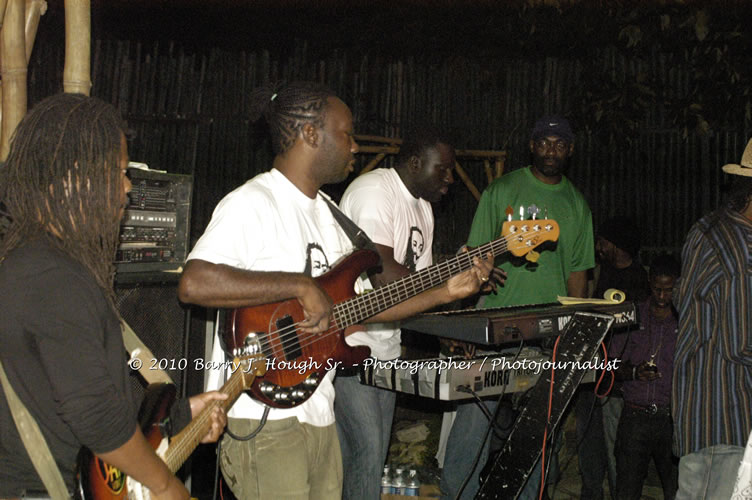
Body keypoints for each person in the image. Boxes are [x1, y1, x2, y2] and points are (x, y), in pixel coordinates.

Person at [177, 82, 495, 500]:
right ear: (310, 134)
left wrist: (446, 293)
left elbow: (360, 309)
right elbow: (194, 282)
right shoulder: (255, 202)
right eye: (346, 133)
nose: (355, 147)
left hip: (318, 407)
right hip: (264, 415)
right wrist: (299, 284)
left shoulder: (330, 217)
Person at [0, 93, 227, 499]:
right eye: (119, 172)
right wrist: (166, 486)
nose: (127, 188)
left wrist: (180, 413)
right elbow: (96, 417)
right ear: (71, 177)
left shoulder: (39, 264)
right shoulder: (53, 278)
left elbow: (79, 393)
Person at [335, 126, 499, 499]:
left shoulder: (423, 208)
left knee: (369, 461)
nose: (450, 178)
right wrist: (447, 284)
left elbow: (419, 287)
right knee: (366, 455)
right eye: (442, 169)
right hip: (349, 346)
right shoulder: (375, 191)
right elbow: (385, 278)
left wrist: (457, 294)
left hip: (386, 349)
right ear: (414, 163)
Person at [440, 115, 595, 500]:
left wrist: (572, 337)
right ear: (532, 145)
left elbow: (578, 279)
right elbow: (473, 261)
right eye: (545, 142)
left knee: (537, 430)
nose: (551, 150)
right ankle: (456, 494)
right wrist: (467, 325)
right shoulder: (501, 190)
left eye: (560, 144)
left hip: (545, 334)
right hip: (494, 326)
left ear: (570, 150)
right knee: (473, 425)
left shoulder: (576, 205)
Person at [672, 138, 752, 499]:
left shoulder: (707, 228)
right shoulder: (744, 251)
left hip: (697, 409)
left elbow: (682, 298)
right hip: (730, 411)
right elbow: (741, 343)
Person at [577, 215, 649, 500]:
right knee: (589, 442)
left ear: (617, 244)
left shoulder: (640, 282)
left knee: (616, 448)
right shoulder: (602, 271)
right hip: (593, 368)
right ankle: (590, 492)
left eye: (603, 241)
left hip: (616, 379)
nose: (598, 246)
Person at [613, 254, 680, 500]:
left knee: (677, 490)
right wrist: (633, 372)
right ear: (650, 283)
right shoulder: (634, 316)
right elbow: (611, 364)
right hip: (635, 416)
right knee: (627, 491)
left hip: (671, 419)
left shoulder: (687, 320)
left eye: (669, 290)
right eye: (657, 289)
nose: (662, 297)